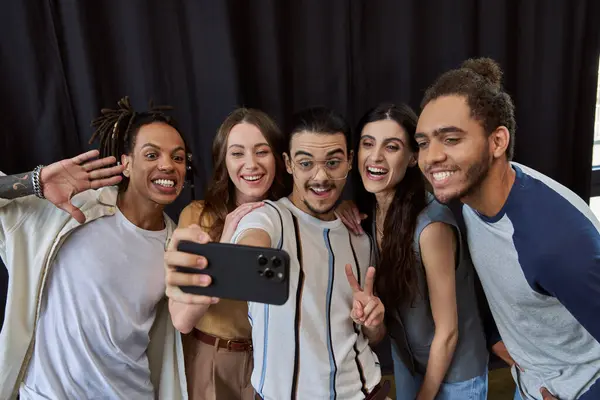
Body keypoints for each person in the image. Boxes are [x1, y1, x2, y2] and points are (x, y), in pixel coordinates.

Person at [165, 106, 390, 399]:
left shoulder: (358, 233)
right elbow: (254, 241)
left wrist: (374, 321)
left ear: (349, 161)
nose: (321, 176)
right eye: (306, 162)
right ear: (290, 163)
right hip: (229, 363)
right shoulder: (263, 217)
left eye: (333, 162)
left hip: (362, 388)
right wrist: (216, 258)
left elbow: (373, 334)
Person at [415, 57, 600, 400]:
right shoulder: (471, 197)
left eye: (451, 139)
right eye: (424, 142)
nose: (431, 157)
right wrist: (494, 337)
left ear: (497, 141)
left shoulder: (558, 241)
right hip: (531, 381)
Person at [0, 96, 189, 399]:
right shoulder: (73, 209)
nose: (168, 165)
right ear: (126, 164)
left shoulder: (176, 245)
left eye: (178, 158)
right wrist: (33, 182)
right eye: (152, 154)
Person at [336, 103, 488, 400]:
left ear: (412, 158)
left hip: (455, 373)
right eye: (368, 144)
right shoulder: (367, 212)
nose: (376, 156)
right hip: (408, 362)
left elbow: (448, 333)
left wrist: (424, 396)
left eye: (391, 147)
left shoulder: (431, 228)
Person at [173, 108, 287, 400]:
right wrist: (222, 249)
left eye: (262, 151)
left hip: (274, 362)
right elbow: (184, 320)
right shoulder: (198, 217)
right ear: (224, 161)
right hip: (213, 359)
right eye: (237, 153)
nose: (251, 164)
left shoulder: (291, 217)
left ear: (279, 158)